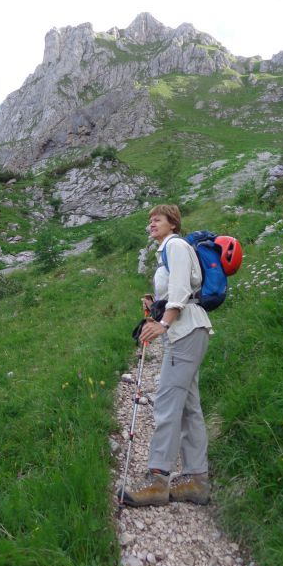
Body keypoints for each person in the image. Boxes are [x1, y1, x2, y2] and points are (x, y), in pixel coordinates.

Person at [120, 204, 213, 507]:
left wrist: (162, 323)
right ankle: (196, 481)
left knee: (167, 401)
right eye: (149, 221)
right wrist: (156, 303)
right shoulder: (169, 251)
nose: (151, 224)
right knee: (188, 406)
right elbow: (175, 292)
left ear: (173, 224)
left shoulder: (175, 245)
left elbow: (182, 291)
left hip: (184, 333)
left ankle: (158, 481)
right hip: (189, 331)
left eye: (157, 219)